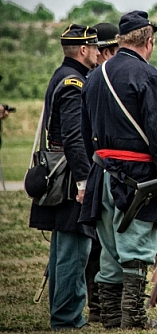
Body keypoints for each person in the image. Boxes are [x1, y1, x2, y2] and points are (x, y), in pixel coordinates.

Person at [79, 11, 157, 329]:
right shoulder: (149, 76)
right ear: (149, 42)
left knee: (109, 248)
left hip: (101, 173)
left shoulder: (94, 76)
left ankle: (109, 316)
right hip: (137, 178)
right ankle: (132, 317)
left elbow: (84, 132)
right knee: (136, 247)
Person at [29, 24, 99, 330]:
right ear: (83, 50)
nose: (99, 53)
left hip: (62, 171)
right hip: (70, 177)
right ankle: (68, 317)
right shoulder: (74, 82)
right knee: (74, 248)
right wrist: (84, 182)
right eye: (95, 48)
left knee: (63, 248)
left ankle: (63, 313)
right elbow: (74, 138)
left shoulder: (64, 76)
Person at [85, 21, 119, 322]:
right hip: (101, 169)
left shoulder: (93, 79)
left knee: (102, 242)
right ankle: (100, 307)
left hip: (101, 168)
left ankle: (102, 307)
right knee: (101, 244)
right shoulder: (94, 81)